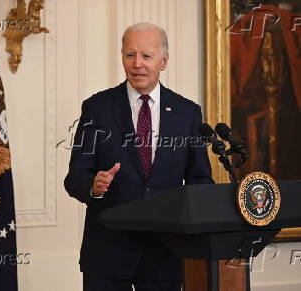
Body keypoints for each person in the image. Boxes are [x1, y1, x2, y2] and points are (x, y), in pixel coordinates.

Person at [64, 22, 214, 291]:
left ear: (163, 61)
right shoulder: (97, 108)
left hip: (165, 255)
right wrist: (93, 187)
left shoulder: (187, 113)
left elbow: (199, 182)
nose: (137, 64)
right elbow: (75, 176)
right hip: (107, 254)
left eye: (146, 56)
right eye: (130, 55)